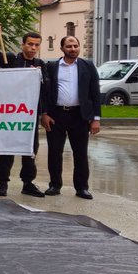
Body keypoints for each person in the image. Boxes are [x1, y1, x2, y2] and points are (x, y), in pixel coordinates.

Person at [0, 24, 47, 198]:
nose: (33, 48)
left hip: (30, 115)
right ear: (23, 44)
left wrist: (44, 112)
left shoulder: (41, 65)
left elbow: (45, 91)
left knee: (30, 149)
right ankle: (3, 182)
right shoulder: (10, 59)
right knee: (7, 148)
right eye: (30, 44)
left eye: (36, 45)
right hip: (10, 114)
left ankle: (28, 183)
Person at [39, 35, 100, 200]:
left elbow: (95, 93)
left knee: (80, 153)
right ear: (62, 48)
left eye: (75, 46)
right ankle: (54, 185)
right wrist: (44, 114)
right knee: (54, 152)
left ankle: (81, 188)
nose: (73, 49)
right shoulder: (51, 67)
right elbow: (44, 93)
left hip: (79, 116)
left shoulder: (87, 66)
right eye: (69, 46)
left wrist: (96, 119)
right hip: (56, 115)